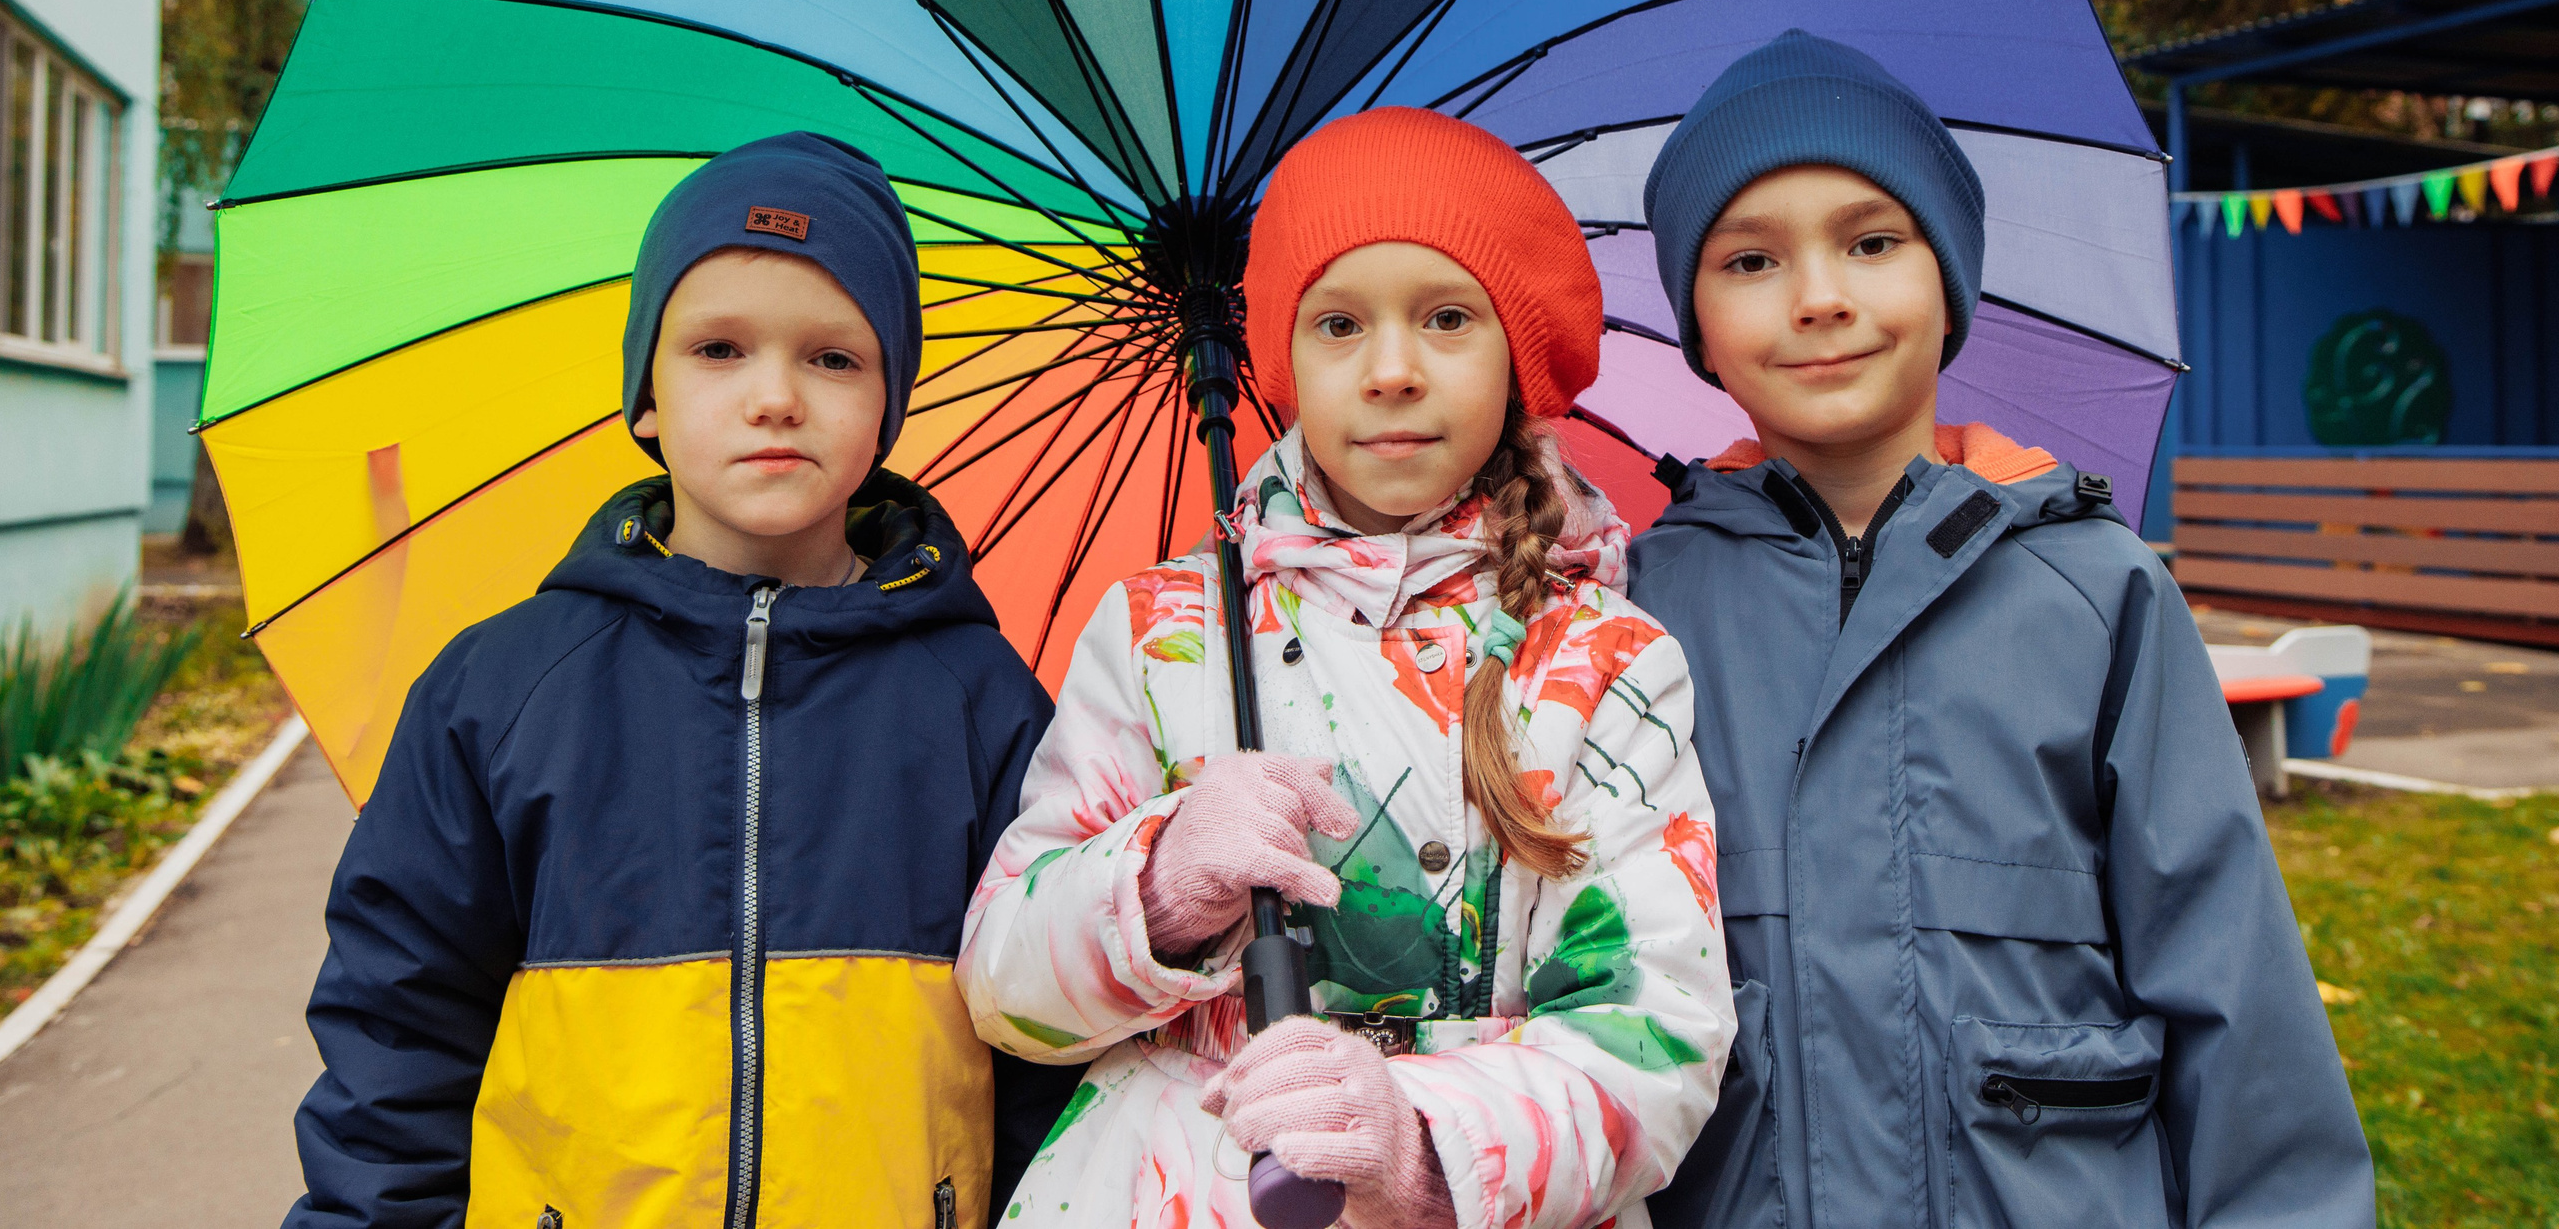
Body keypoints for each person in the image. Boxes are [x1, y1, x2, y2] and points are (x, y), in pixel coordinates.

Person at [1628, 32, 2374, 1229]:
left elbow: (2234, 987)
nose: (1820, 296)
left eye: (1872, 242)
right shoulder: (1632, 617)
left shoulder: (2097, 592)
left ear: (1951, 282)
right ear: (1696, 325)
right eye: (1751, 259)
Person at [956, 108, 1734, 1229]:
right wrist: (1162, 882)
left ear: (1516, 355)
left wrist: (1418, 1145)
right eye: (1337, 325)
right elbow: (1003, 990)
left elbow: (1656, 1025)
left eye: (1447, 318)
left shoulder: (1604, 660)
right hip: (1172, 1186)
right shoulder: (1163, 629)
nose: (1391, 371)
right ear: (1278, 362)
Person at [286, 132, 1075, 1229]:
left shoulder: (982, 703)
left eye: (832, 358)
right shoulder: (501, 690)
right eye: (718, 349)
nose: (774, 397)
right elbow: (397, 1038)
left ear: (888, 407)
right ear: (644, 395)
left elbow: (1052, 1052)